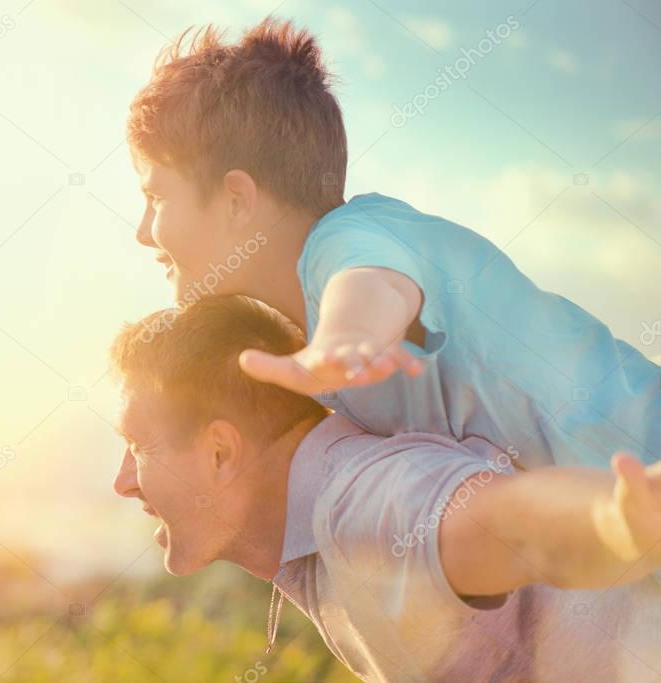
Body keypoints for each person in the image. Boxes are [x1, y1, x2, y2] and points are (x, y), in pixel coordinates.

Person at [124, 17, 660, 470]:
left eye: (157, 198)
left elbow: (371, 284)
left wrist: (345, 339)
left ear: (237, 200)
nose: (142, 231)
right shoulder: (310, 321)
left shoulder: (349, 240)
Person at [109, 296, 661, 681]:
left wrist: (615, 522)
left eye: (139, 446)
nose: (123, 481)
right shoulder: (322, 532)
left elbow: (507, 523)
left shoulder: (359, 502)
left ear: (220, 453)